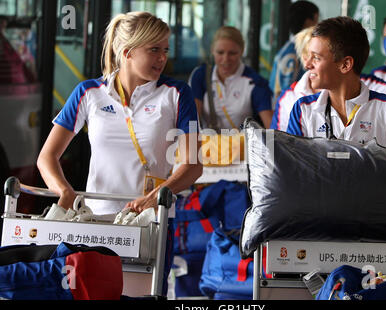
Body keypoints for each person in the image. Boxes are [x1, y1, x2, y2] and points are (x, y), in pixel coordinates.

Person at [37, 11, 202, 294]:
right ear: (127, 52)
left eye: (165, 50)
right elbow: (47, 157)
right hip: (94, 224)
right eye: (154, 50)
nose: (162, 58)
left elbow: (193, 166)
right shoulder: (88, 93)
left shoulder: (177, 94)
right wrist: (64, 192)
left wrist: (153, 199)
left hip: (151, 223)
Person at [286, 16, 386, 148]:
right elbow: (293, 166)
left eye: (316, 58)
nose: (307, 65)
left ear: (346, 64)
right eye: (309, 57)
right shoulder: (302, 110)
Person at [189, 26, 273, 130]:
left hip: (241, 145)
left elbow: (271, 128)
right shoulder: (200, 75)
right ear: (212, 51)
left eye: (232, 53)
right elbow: (192, 120)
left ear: (242, 51)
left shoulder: (256, 82)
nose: (225, 59)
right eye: (220, 52)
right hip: (208, 144)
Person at [269, 0, 319, 101]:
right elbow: (284, 94)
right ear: (308, 22)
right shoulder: (293, 54)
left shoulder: (288, 49)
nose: (318, 25)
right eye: (316, 20)